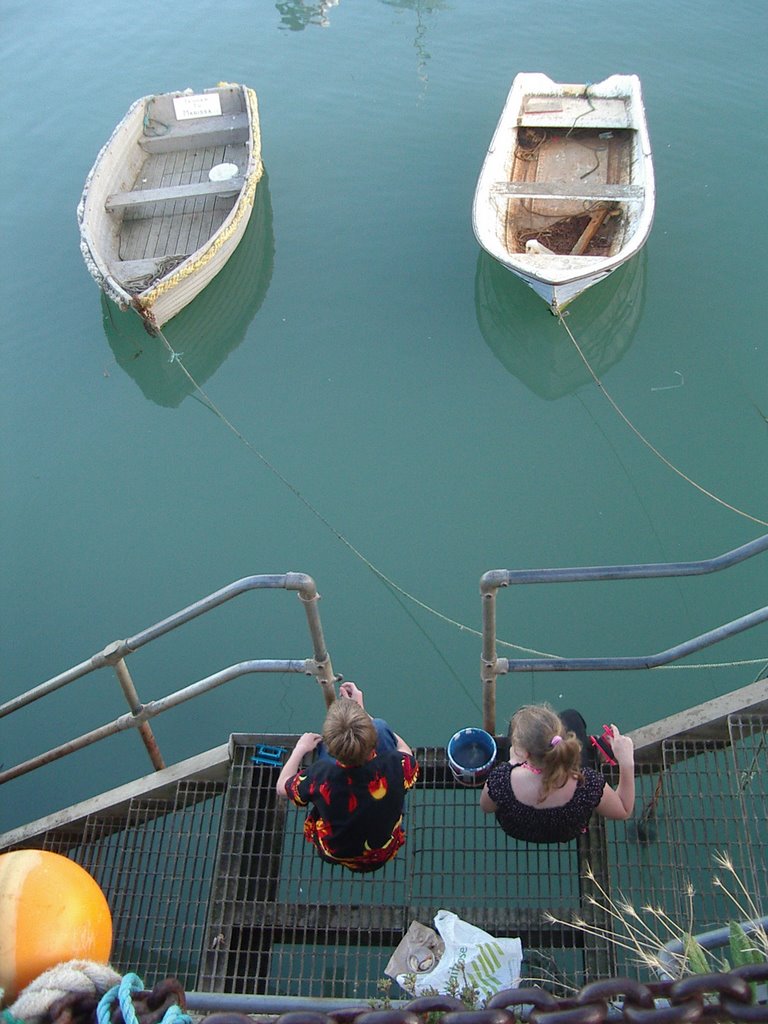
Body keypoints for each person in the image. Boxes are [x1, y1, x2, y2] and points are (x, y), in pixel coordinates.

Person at [275, 681, 419, 872]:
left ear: (333, 751)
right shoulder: (396, 765)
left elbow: (281, 788)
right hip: (383, 848)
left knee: (326, 759)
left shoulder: (320, 777)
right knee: (382, 727)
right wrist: (365, 717)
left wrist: (300, 749)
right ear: (371, 740)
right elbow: (405, 750)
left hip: (338, 851)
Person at [479, 703, 635, 843]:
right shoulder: (586, 783)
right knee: (571, 716)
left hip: (517, 830)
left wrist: (511, 764)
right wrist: (627, 762)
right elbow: (623, 810)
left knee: (518, 718)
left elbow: (486, 807)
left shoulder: (500, 780)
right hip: (566, 833)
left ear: (523, 754)